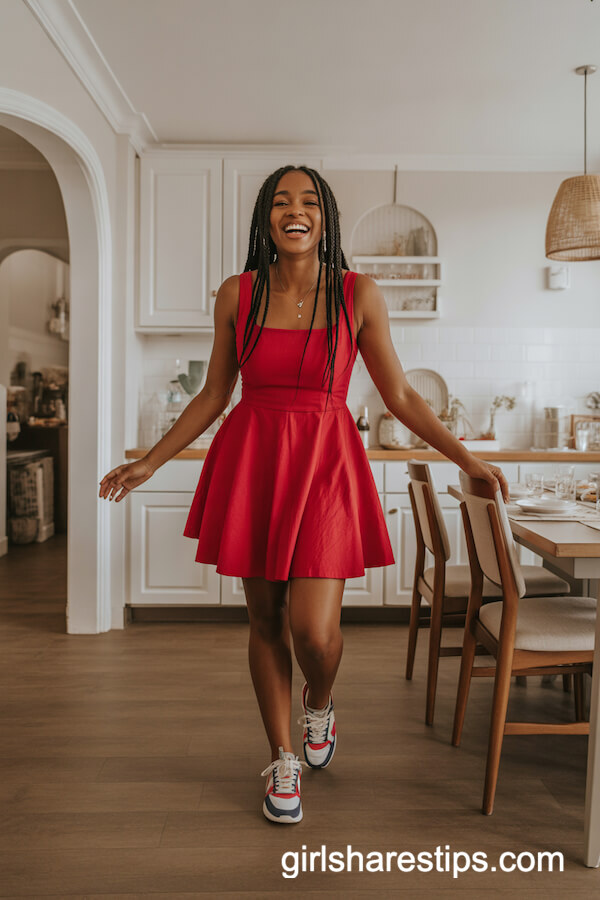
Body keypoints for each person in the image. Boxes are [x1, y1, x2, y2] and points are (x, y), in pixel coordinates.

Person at [99, 165, 508, 825]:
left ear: (324, 218)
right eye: (281, 201)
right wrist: (150, 461)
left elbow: (399, 395)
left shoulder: (359, 294)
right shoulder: (237, 294)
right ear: (265, 219)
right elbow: (213, 394)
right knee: (265, 621)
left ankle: (319, 701)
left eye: (309, 201)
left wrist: (469, 457)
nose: (296, 210)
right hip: (254, 457)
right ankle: (284, 756)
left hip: (324, 463)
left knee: (313, 633)